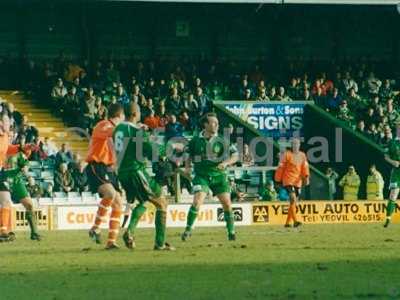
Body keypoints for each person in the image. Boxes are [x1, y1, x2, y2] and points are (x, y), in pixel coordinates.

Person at [113, 102, 174, 251]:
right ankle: (159, 243)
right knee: (162, 202)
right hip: (136, 171)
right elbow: (151, 151)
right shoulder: (137, 131)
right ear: (135, 114)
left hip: (122, 173)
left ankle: (130, 232)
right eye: (139, 112)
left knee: (145, 202)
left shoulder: (118, 129)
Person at [181, 112, 239, 241]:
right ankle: (188, 230)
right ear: (205, 125)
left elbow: (235, 155)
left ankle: (231, 232)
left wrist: (225, 163)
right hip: (202, 176)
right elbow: (187, 154)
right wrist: (187, 166)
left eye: (217, 123)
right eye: (213, 123)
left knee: (227, 205)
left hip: (219, 176)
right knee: (197, 202)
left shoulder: (223, 140)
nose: (217, 125)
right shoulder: (195, 140)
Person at [86, 103, 125, 250]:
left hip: (110, 169)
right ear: (120, 116)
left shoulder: (115, 130)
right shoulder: (103, 125)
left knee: (118, 203)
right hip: (97, 166)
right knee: (110, 193)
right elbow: (114, 132)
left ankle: (111, 242)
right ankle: (95, 228)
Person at [274, 138, 310, 228]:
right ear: (291, 145)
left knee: (293, 202)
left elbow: (305, 167)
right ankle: (295, 221)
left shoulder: (302, 155)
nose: (295, 145)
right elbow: (281, 168)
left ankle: (287, 223)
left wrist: (306, 177)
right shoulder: (286, 155)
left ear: (299, 145)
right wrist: (277, 180)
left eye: (297, 144)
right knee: (293, 198)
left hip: (297, 181)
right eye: (293, 144)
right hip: (288, 180)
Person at [383, 130, 400, 227]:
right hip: (397, 172)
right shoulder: (392, 142)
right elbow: (386, 156)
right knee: (393, 195)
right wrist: (392, 161)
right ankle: (388, 219)